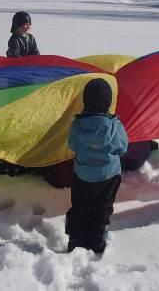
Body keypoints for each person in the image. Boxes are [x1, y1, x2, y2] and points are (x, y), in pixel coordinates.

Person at [65, 78, 128, 253]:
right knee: (103, 208)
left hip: (83, 174)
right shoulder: (114, 126)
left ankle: (76, 238)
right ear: (108, 102)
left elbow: (73, 146)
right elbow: (122, 148)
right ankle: (97, 239)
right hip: (109, 176)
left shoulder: (77, 126)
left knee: (80, 205)